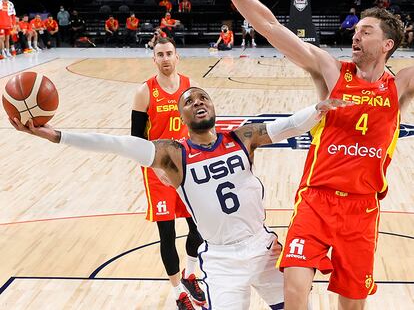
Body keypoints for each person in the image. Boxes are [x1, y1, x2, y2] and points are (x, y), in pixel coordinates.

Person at [10, 87, 350, 310]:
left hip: (262, 248)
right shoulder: (173, 154)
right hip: (222, 261)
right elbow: (116, 144)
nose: (197, 102)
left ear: (214, 106)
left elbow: (288, 125)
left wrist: (317, 109)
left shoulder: (242, 137)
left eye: (203, 97)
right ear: (182, 116)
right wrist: (55, 135)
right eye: (188, 101)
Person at [232, 0, 413, 309]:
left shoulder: (401, 85)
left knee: (353, 303)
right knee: (295, 284)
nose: (355, 36)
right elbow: (269, 25)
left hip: (362, 207)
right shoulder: (331, 70)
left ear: (387, 44)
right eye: (355, 31)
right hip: (316, 200)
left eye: (365, 32)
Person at [132, 37, 205, 310]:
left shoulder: (190, 88)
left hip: (187, 168)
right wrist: (156, 167)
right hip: (158, 172)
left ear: (177, 57)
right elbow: (135, 140)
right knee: (167, 235)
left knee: (198, 228)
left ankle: (191, 274)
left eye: (169, 54)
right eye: (159, 54)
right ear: (154, 59)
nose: (165, 58)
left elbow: (200, 127)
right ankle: (178, 293)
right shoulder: (145, 92)